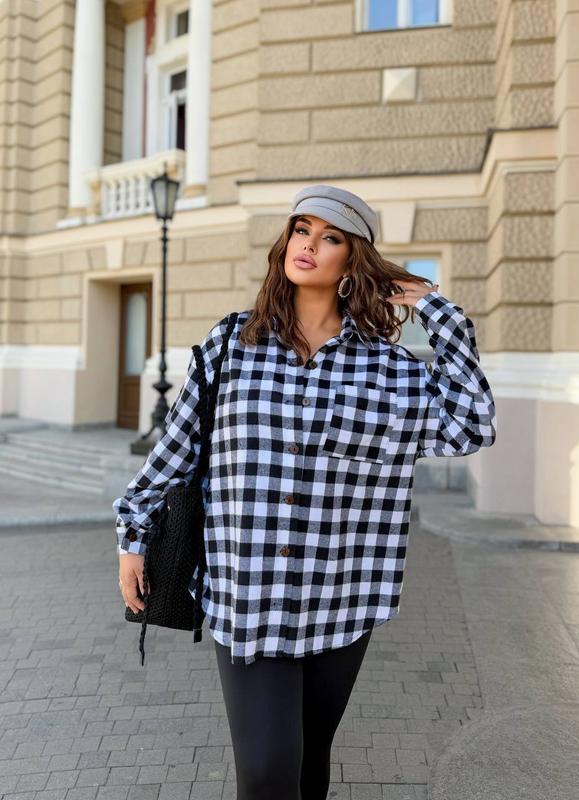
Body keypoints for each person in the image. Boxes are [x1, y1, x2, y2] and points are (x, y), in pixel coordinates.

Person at [113, 184, 497, 799]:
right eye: (301, 229)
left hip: (343, 595)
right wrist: (133, 535)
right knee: (267, 772)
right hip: (248, 592)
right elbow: (177, 449)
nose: (309, 245)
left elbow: (471, 425)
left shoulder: (389, 369)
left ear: (354, 259)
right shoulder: (232, 345)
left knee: (308, 761)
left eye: (330, 237)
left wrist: (435, 309)